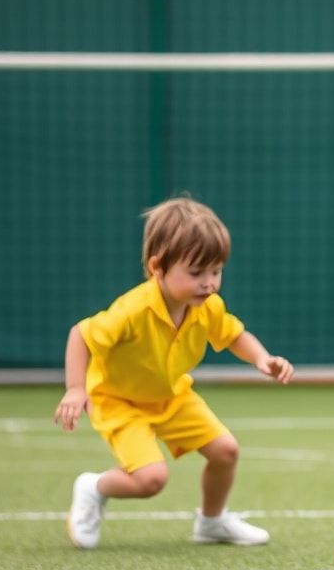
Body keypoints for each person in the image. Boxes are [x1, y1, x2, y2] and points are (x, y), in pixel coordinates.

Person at [53, 198, 294, 550]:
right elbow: (81, 335)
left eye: (216, 271)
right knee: (151, 479)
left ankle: (211, 524)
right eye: (196, 273)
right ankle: (93, 487)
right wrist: (76, 389)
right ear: (157, 268)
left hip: (172, 396)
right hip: (118, 401)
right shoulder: (132, 310)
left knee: (226, 451)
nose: (209, 283)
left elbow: (234, 335)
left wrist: (262, 358)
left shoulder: (208, 306)